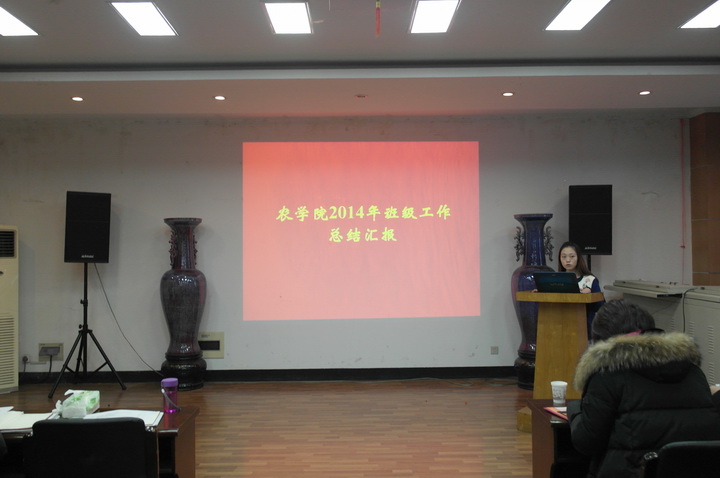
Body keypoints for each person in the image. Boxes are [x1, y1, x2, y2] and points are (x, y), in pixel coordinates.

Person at [568, 300, 720, 478]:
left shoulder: (607, 376)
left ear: (600, 340)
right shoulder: (693, 372)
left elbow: (586, 443)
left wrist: (575, 410)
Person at [557, 241, 604, 338]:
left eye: (572, 256)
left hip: (584, 329)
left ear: (578, 258)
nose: (567, 260)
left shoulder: (590, 280)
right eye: (564, 257)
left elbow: (601, 307)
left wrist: (589, 296)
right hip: (560, 327)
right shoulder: (555, 280)